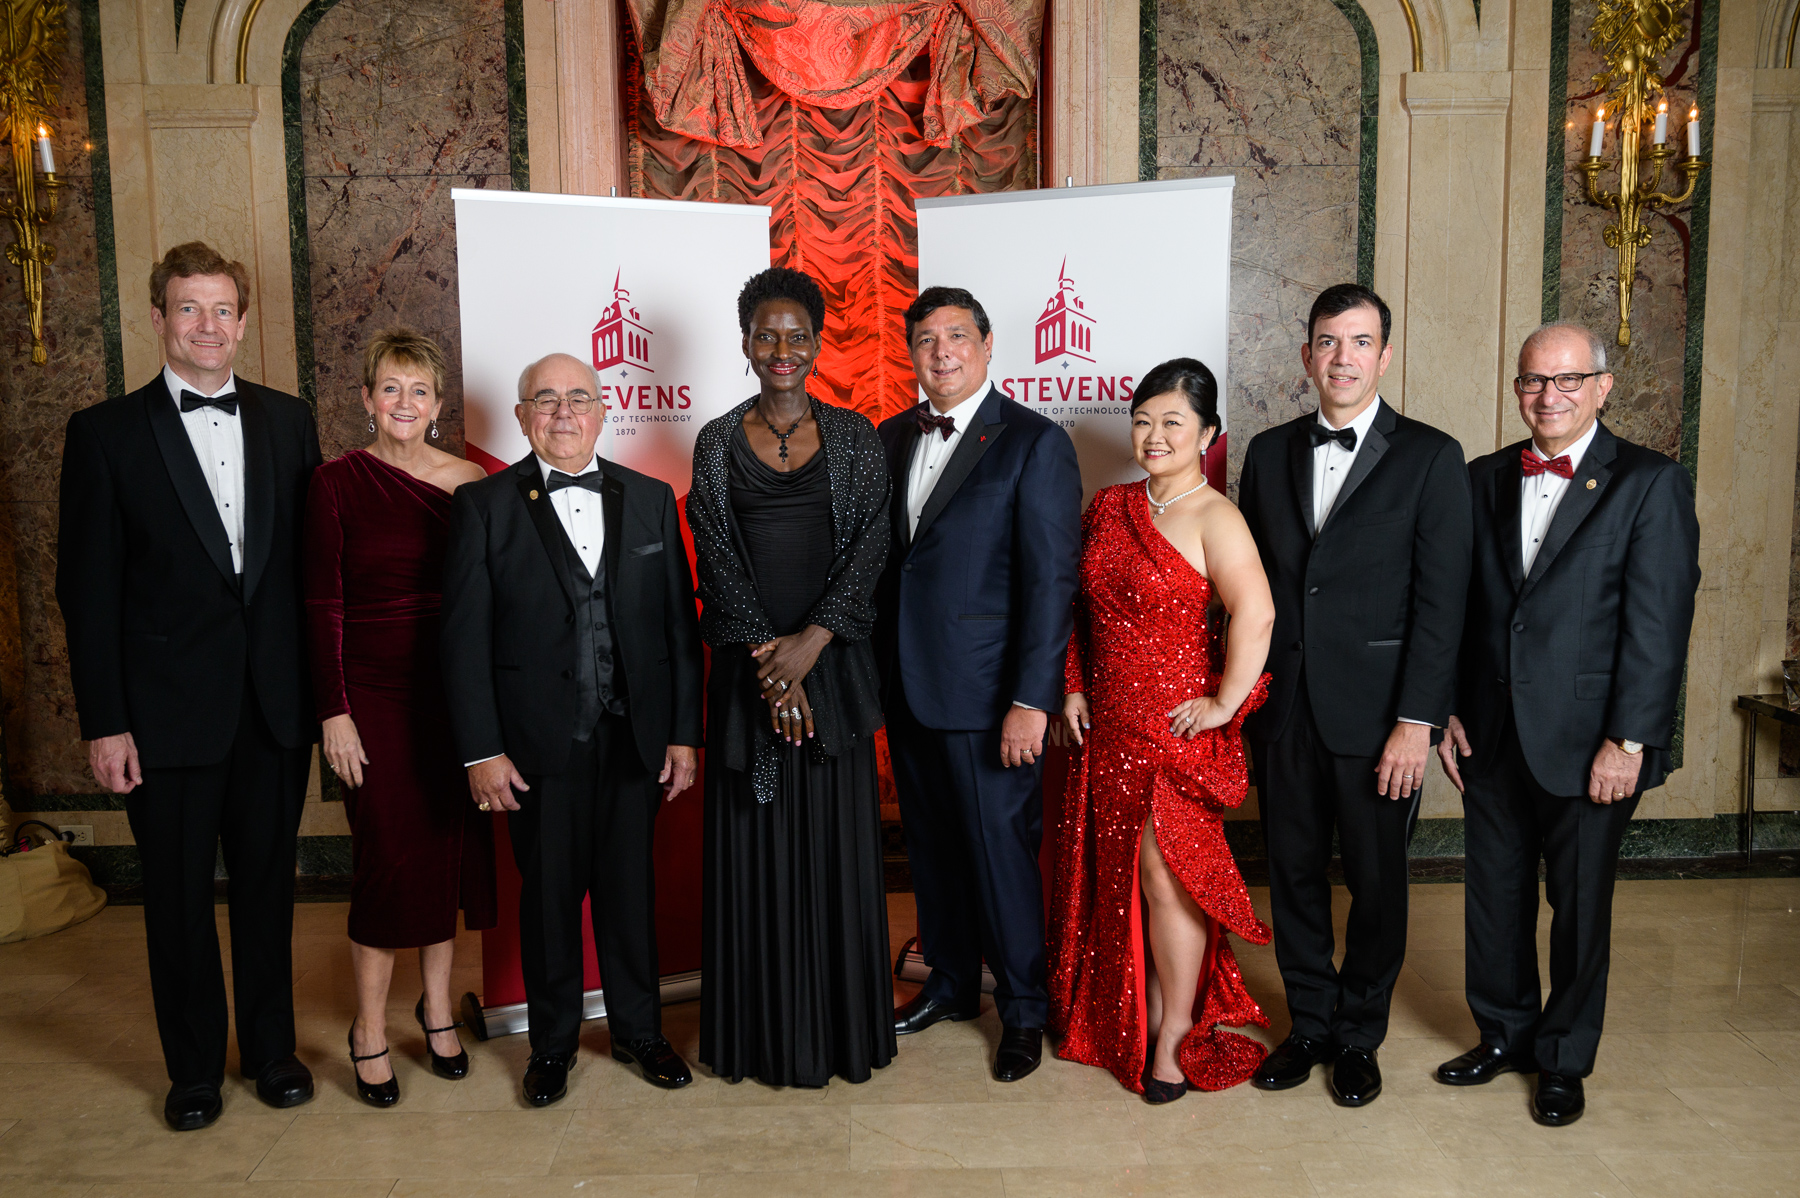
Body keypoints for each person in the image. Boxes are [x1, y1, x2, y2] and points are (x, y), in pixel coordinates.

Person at [56, 241, 322, 1131]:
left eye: (221, 310)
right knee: (175, 902)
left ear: (242, 322)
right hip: (162, 716)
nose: (207, 326)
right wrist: (106, 722)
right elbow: (85, 592)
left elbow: (307, 577)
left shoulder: (291, 423)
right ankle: (195, 1072)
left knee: (266, 893)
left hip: (273, 710)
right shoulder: (104, 435)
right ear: (160, 318)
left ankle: (274, 1053)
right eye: (188, 309)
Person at [1434, 323, 1699, 1127]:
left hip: (1593, 742)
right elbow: (1458, 609)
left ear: (1602, 387)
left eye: (1567, 380)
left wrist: (1630, 740)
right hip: (1488, 731)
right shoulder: (1481, 479)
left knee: (1579, 908)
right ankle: (1504, 1034)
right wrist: (1445, 708)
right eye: (1531, 382)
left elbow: (1659, 625)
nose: (1547, 397)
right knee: (1495, 897)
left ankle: (1563, 1058)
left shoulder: (1650, 483)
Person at [440, 352, 704, 1107]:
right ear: (522, 417)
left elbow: (677, 630)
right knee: (550, 900)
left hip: (633, 739)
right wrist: (482, 750)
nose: (563, 413)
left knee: (630, 894)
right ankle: (552, 1046)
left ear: (601, 410)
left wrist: (683, 733)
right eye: (545, 400)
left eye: (578, 398)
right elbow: (462, 640)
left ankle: (639, 1033)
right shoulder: (484, 506)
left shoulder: (652, 499)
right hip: (533, 747)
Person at [1237, 283, 1472, 1107]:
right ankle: (1308, 1023)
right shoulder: (1265, 453)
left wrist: (1417, 721)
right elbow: (1250, 588)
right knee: (1293, 875)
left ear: (1385, 353)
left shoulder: (1432, 457)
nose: (1343, 357)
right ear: (1306, 355)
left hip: (1382, 721)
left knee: (1377, 884)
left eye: (1360, 342)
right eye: (1328, 342)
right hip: (1286, 710)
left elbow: (1445, 605)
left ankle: (1359, 1035)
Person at [688, 267, 895, 1087]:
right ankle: (761, 1036)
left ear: (817, 342)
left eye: (796, 334)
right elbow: (714, 551)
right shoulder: (713, 440)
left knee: (834, 847)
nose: (782, 348)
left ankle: (841, 1034)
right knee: (755, 844)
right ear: (746, 343)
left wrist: (810, 648)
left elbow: (872, 546)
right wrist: (773, 670)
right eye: (766, 335)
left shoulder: (854, 436)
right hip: (750, 677)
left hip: (833, 670)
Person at [1053, 358, 1276, 1103]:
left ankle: (1175, 1036)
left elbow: (1258, 612)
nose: (1153, 434)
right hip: (1109, 725)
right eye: (1143, 419)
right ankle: (1127, 1014)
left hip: (1174, 728)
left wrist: (1224, 702)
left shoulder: (1217, 516)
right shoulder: (1110, 504)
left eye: (1172, 421)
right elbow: (1077, 611)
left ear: (1208, 434)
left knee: (1165, 877)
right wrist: (1074, 685)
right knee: (1117, 877)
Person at [874, 285, 1082, 1083]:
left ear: (989, 345)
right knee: (932, 851)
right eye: (925, 340)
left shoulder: (1032, 442)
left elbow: (1050, 581)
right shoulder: (891, 436)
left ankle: (1026, 1009)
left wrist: (1031, 699)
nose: (941, 353)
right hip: (910, 686)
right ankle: (954, 984)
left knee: (1000, 854)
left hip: (994, 699)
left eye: (956, 336)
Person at [304, 329, 498, 1107]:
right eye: (391, 388)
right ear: (365, 399)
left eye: (419, 391)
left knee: (445, 856)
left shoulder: (472, 480)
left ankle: (439, 1011)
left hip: (454, 694)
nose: (405, 403)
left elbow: (494, 594)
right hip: (372, 697)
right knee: (388, 857)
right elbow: (320, 603)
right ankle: (368, 1029)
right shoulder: (335, 483)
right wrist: (334, 711)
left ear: (439, 405)